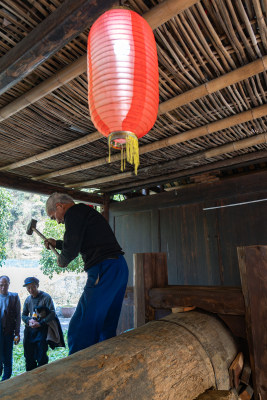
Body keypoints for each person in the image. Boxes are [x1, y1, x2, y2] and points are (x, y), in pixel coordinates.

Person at [44, 192, 129, 355]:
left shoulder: (73, 213)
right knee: (106, 323)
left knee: (81, 325)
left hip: (104, 268)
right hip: (118, 266)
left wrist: (62, 259)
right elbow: (81, 241)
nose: (58, 221)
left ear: (59, 206)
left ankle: (77, 367)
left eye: (54, 217)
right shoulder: (85, 213)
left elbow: (71, 251)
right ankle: (106, 358)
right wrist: (58, 244)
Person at [22, 277, 57, 371]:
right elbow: (24, 315)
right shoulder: (28, 300)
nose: (31, 290)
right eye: (28, 288)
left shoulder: (46, 297)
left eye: (33, 287)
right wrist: (29, 321)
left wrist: (41, 323)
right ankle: (30, 379)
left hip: (42, 330)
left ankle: (43, 378)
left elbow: (52, 313)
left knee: (41, 356)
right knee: (29, 356)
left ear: (37, 285)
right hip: (30, 331)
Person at [0, 275, 21, 381]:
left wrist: (17, 332)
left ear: (9, 284)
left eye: (5, 284)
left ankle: (5, 382)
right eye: (1, 285)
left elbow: (18, 316)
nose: (3, 287)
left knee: (8, 358)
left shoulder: (14, 297)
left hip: (8, 332)